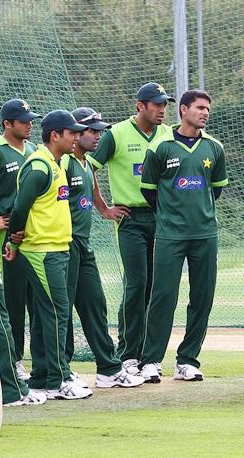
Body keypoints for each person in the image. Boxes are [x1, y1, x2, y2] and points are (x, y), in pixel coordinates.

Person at [137, 89, 228, 383]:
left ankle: (187, 360)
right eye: (200, 108)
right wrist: (171, 215)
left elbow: (215, 190)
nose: (205, 113)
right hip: (169, 235)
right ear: (184, 110)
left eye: (208, 109)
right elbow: (149, 191)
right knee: (163, 296)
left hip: (205, 234)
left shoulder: (215, 148)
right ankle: (151, 361)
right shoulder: (161, 147)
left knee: (202, 297)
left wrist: (197, 212)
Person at [5, 110, 92, 400]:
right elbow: (19, 208)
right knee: (56, 312)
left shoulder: (55, 163)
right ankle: (59, 380)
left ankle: (42, 376)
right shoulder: (40, 166)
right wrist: (14, 238)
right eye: (72, 133)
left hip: (55, 249)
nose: (77, 137)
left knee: (48, 314)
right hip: (42, 251)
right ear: (55, 135)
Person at [89, 82, 174, 376]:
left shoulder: (168, 134)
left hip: (162, 218)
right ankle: (128, 353)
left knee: (157, 286)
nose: (163, 109)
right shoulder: (116, 134)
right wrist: (103, 208)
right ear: (140, 106)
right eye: (157, 104)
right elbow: (88, 166)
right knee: (136, 284)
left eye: (165, 104)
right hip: (131, 220)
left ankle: (150, 357)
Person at [61, 107, 144, 388]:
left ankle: (108, 369)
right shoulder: (62, 162)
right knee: (62, 309)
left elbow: (92, 181)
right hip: (62, 244)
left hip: (82, 244)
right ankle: (61, 370)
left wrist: (104, 209)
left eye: (99, 131)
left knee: (95, 305)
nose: (98, 136)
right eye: (91, 131)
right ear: (75, 132)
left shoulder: (84, 162)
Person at [0, 98, 41, 381]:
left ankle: (40, 362)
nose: (30, 124)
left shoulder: (33, 149)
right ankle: (15, 360)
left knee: (36, 300)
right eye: (24, 121)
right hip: (4, 238)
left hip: (32, 235)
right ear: (7, 124)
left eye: (31, 119)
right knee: (13, 302)